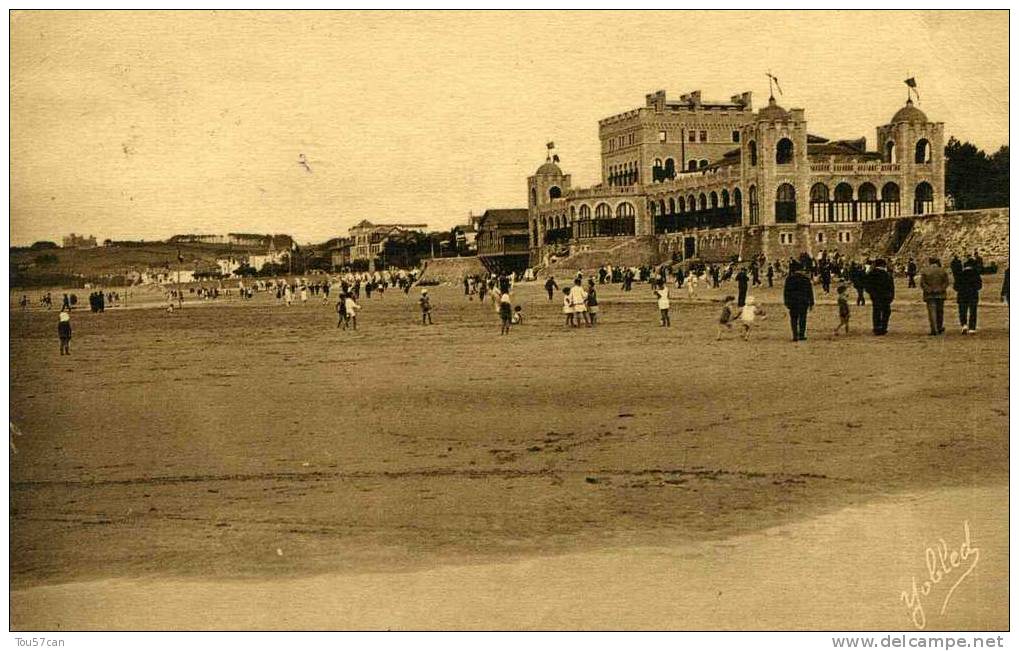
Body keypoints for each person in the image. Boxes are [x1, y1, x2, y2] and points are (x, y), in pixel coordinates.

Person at [783, 261, 814, 342]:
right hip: (803, 302)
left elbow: (786, 292)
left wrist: (786, 302)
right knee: (802, 319)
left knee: (793, 319)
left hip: (793, 302)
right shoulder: (805, 279)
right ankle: (801, 335)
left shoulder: (789, 279)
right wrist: (811, 302)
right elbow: (810, 292)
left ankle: (795, 335)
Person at [919, 257, 950, 336]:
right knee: (940, 312)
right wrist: (940, 289)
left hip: (929, 295)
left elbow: (922, 283)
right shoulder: (942, 271)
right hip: (940, 294)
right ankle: (939, 327)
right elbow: (946, 282)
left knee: (932, 312)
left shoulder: (925, 271)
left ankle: (934, 329)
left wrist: (929, 289)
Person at [865, 259, 895, 336]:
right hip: (886, 296)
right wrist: (891, 296)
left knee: (876, 311)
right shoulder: (887, 274)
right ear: (883, 265)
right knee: (886, 312)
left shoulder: (871, 274)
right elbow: (891, 287)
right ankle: (883, 327)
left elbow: (867, 286)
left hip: (875, 296)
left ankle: (877, 327)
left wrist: (872, 294)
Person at [955, 258, 982, 334]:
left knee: (962, 311)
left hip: (962, 295)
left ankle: (964, 325)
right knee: (973, 311)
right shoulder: (976, 274)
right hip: (973, 295)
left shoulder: (960, 274)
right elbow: (979, 286)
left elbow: (956, 286)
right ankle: (972, 328)